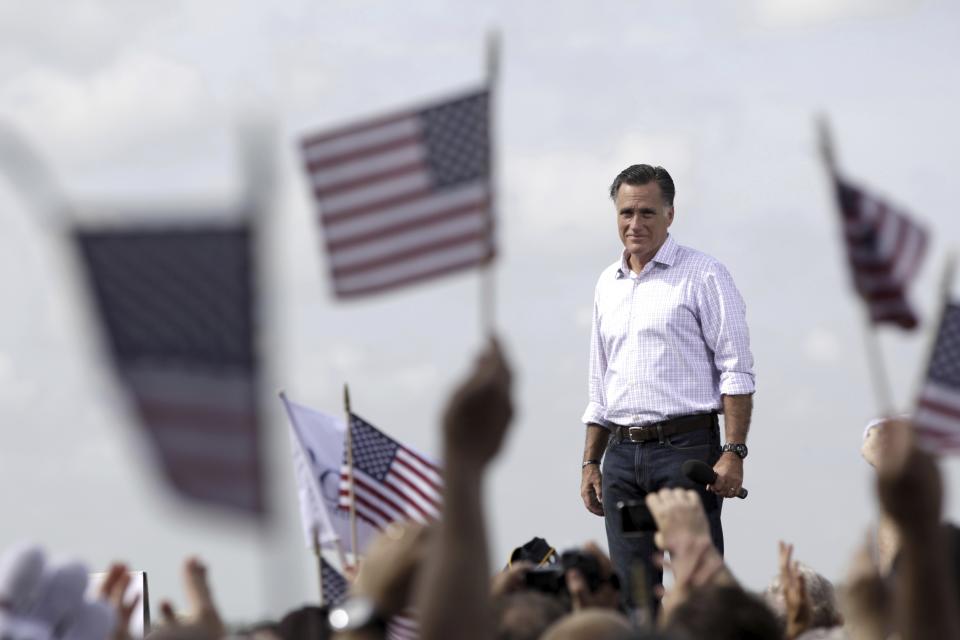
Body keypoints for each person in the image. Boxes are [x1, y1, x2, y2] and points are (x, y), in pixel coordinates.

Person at [578, 164, 755, 611]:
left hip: (685, 454)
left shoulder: (704, 274)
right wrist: (590, 462)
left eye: (647, 213)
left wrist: (733, 452)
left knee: (699, 593)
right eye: (625, 213)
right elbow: (600, 386)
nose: (635, 224)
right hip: (620, 460)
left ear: (670, 214)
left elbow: (736, 370)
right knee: (635, 601)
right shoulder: (606, 284)